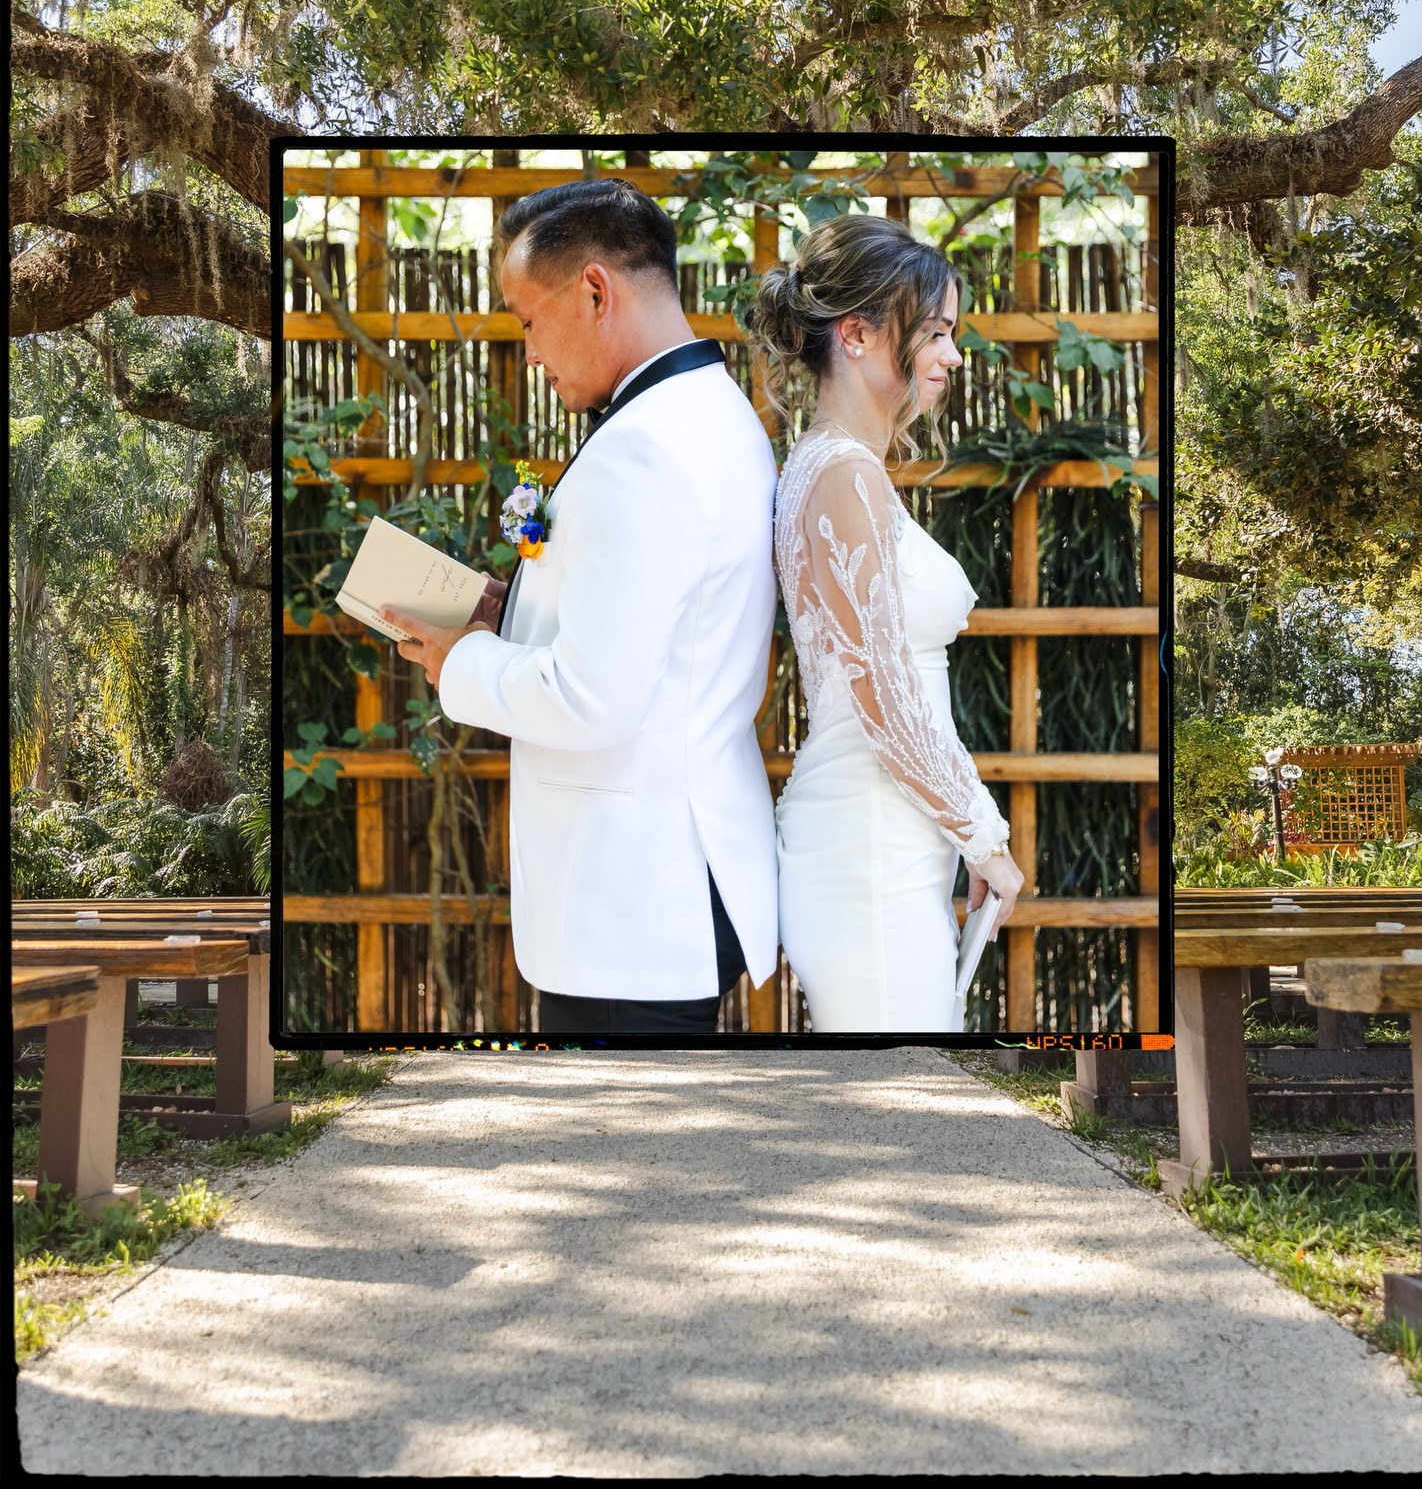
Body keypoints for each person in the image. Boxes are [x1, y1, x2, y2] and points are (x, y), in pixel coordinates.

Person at [379, 179, 779, 1035]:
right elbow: (661, 637)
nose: (526, 352)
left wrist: (462, 662)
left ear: (595, 291)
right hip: (668, 882)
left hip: (630, 906)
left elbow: (592, 697)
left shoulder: (642, 450)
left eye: (526, 320)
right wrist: (511, 608)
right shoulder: (717, 416)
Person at [745, 214, 1025, 1032]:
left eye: (952, 333)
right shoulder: (843, 475)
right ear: (859, 333)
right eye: (934, 332)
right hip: (868, 853)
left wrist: (955, 831)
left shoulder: (833, 466)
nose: (952, 355)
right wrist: (985, 839)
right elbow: (886, 699)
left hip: (884, 839)